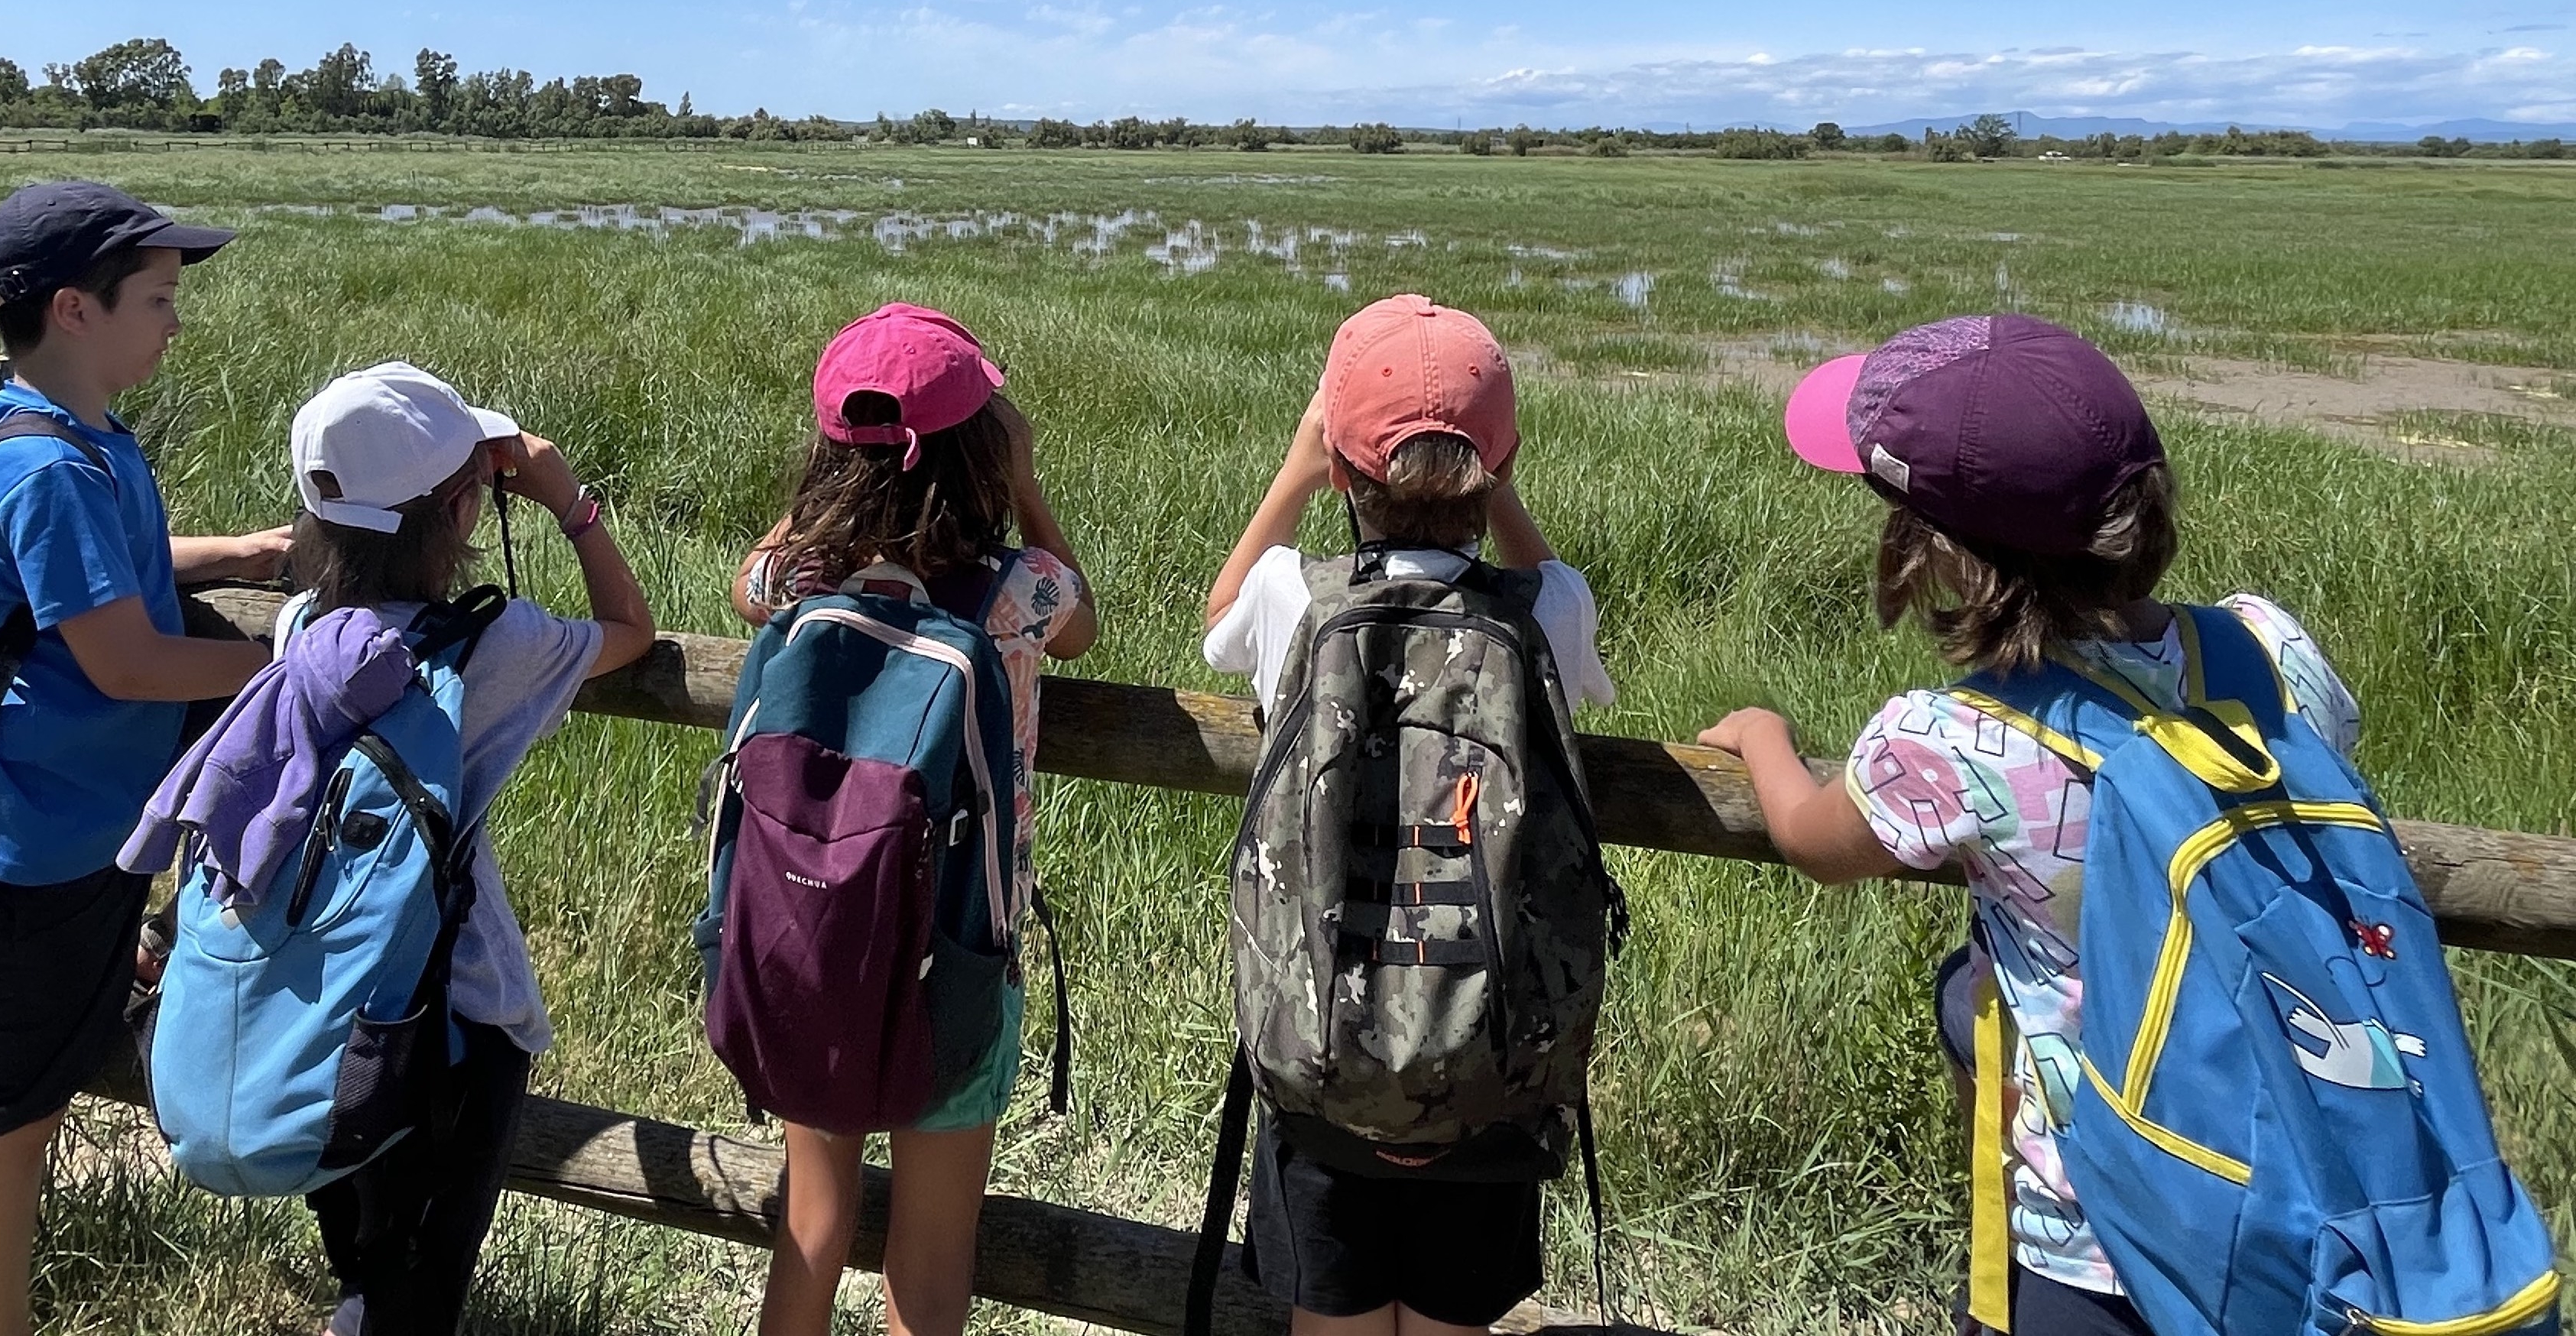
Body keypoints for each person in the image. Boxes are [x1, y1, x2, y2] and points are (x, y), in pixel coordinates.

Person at [1694, 315, 2363, 1335]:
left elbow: (1809, 842)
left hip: (2088, 1236)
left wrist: (1761, 736)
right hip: (2305, 1202)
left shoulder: (1949, 741)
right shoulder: (2266, 647)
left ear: (1953, 553)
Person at [0, 181, 288, 1336]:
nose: (176, 320)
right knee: (8, 1123)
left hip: (54, 826)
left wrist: (244, 552)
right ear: (75, 309)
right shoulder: (54, 468)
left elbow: (106, 565)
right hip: (25, 851)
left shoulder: (63, 434)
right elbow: (123, 660)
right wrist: (291, 675)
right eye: (158, 298)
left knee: (18, 1107)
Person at [1199, 293, 1616, 1336]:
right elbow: (1548, 583)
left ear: (1343, 468)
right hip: (1489, 1063)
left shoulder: (1295, 598)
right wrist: (1500, 489)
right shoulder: (1545, 613)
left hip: (1321, 1057)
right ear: (1500, 463)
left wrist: (1299, 464)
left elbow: (1219, 622)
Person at [261, 362, 654, 1336]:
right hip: (451, 1010)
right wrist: (571, 505)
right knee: (417, 1289)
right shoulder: (493, 644)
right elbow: (630, 631)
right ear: (457, 511)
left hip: (322, 998)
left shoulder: (299, 625)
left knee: (363, 1253)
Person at [730, 301, 1096, 1336]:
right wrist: (1024, 481)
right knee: (931, 1260)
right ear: (985, 449)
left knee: (812, 1220)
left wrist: (823, 496)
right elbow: (1084, 623)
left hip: (813, 929)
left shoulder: (798, 577)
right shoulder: (1015, 591)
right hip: (960, 954)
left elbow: (747, 579)